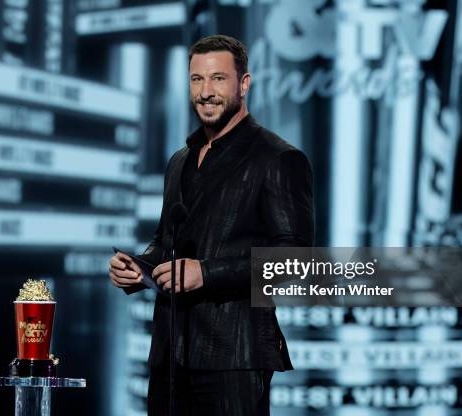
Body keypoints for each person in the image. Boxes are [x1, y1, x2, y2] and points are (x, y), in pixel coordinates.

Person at [109, 34, 314, 415]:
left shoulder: (278, 158)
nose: (205, 92)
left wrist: (207, 274)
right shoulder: (180, 161)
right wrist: (140, 268)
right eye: (197, 80)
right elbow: (166, 241)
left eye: (218, 78)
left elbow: (295, 260)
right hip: (169, 356)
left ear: (244, 84)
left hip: (233, 357)